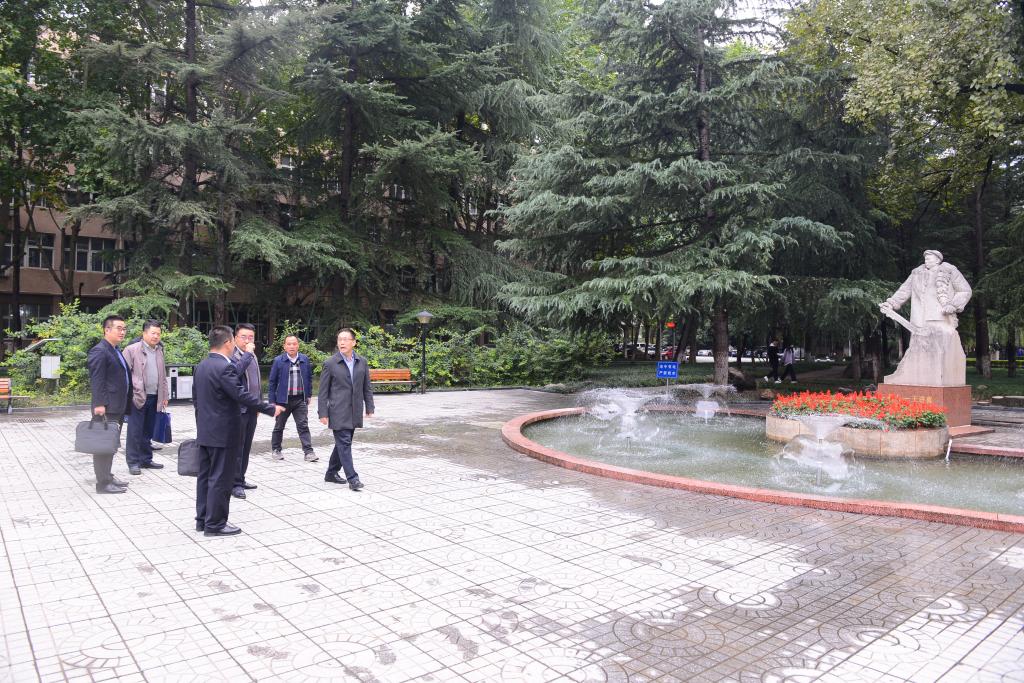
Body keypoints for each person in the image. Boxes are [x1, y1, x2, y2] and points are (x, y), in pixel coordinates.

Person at [193, 325, 282, 536]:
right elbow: (240, 394)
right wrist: (269, 408)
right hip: (223, 433)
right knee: (221, 479)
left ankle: (203, 520)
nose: (234, 345)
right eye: (233, 341)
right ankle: (215, 524)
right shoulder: (224, 367)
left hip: (206, 431)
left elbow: (196, 400)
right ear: (227, 343)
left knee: (205, 477)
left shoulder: (202, 366)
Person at [879, 249, 972, 386]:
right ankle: (917, 378)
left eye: (929, 257)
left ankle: (938, 379)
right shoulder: (917, 273)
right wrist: (892, 303)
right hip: (920, 319)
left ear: (938, 259)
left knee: (940, 349)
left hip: (940, 318)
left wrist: (953, 305)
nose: (926, 259)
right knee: (918, 349)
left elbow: (965, 290)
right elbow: (904, 290)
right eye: (925, 257)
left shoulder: (949, 271)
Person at [319, 328, 374, 491]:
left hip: (354, 410)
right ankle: (353, 479)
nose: (342, 342)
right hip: (338, 410)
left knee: (343, 443)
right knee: (344, 443)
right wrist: (322, 412)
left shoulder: (362, 362)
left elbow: (366, 387)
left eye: (345, 339)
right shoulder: (330, 363)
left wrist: (369, 406)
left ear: (354, 342)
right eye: (339, 340)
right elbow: (323, 391)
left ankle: (331, 473)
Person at [86, 315, 132, 494]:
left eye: (124, 328)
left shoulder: (114, 349)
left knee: (110, 444)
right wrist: (99, 404)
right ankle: (103, 483)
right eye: (119, 328)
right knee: (103, 445)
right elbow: (97, 379)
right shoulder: (99, 351)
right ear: (107, 330)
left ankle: (108, 476)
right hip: (107, 407)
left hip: (117, 406)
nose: (122, 332)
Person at [121, 320, 169, 475]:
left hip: (155, 396)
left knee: (148, 430)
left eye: (158, 333)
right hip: (137, 397)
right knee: (135, 431)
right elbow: (123, 375)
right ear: (144, 333)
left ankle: (146, 459)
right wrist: (130, 393)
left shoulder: (159, 350)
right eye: (153, 333)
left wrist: (165, 395)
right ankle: (133, 462)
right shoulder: (131, 350)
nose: (156, 336)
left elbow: (163, 375)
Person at [267, 335, 316, 462]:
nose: (292, 346)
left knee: (303, 426)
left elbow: (309, 378)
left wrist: (308, 395)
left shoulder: (304, 359)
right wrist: (272, 402)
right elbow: (272, 382)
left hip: (300, 399)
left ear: (298, 345)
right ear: (284, 346)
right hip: (282, 401)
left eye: (294, 344)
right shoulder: (278, 361)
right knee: (279, 426)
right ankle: (276, 449)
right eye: (289, 344)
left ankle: (308, 452)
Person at [230, 323, 261, 499]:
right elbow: (235, 374)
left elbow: (256, 381)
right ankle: (234, 483)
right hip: (239, 410)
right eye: (244, 337)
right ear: (235, 338)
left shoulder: (252, 355)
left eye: (251, 337)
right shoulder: (232, 356)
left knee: (247, 446)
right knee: (238, 447)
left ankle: (241, 478)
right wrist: (248, 354)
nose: (248, 341)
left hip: (251, 408)